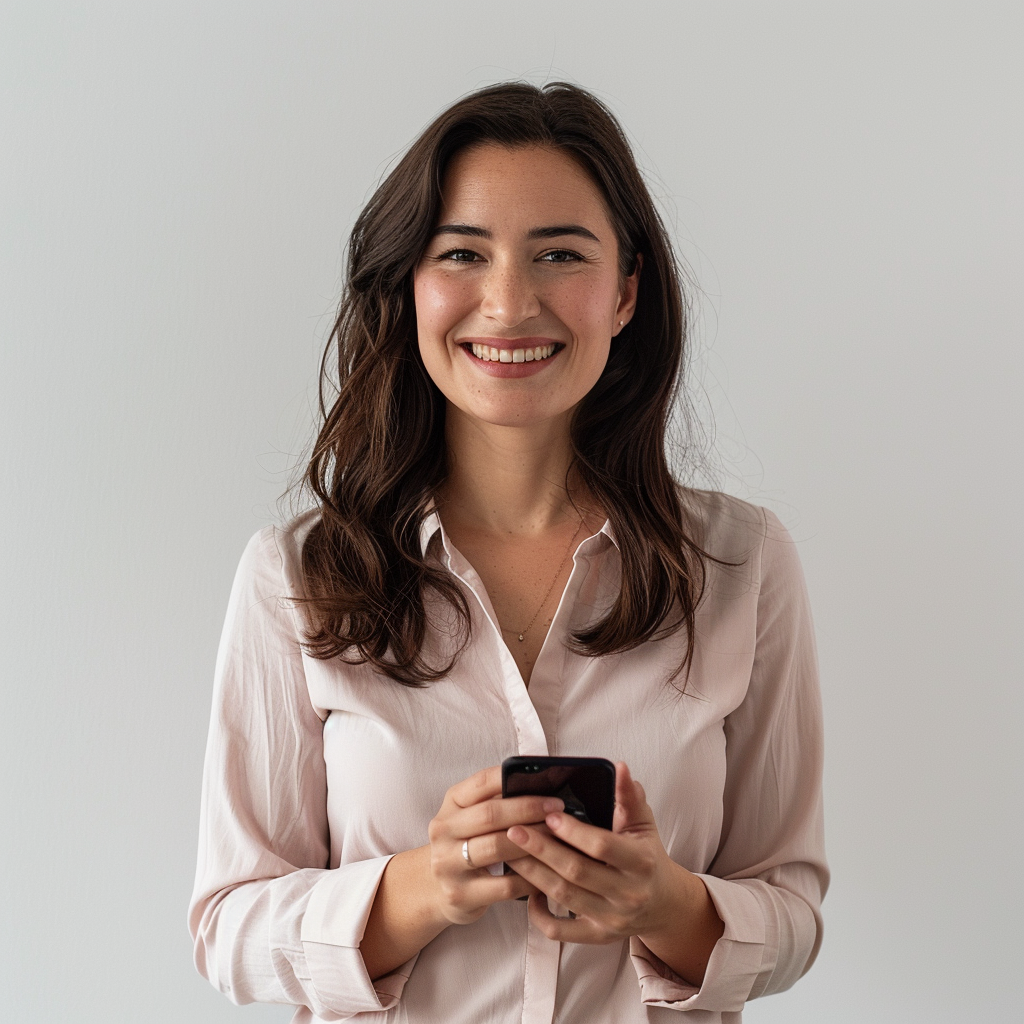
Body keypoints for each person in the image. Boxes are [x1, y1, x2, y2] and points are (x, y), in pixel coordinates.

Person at [189, 81, 828, 1024]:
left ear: (625, 293)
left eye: (560, 254)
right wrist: (419, 891)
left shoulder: (743, 565)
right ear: (410, 286)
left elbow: (792, 912)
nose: (509, 301)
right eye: (462, 253)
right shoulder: (297, 575)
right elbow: (225, 928)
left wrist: (665, 905)